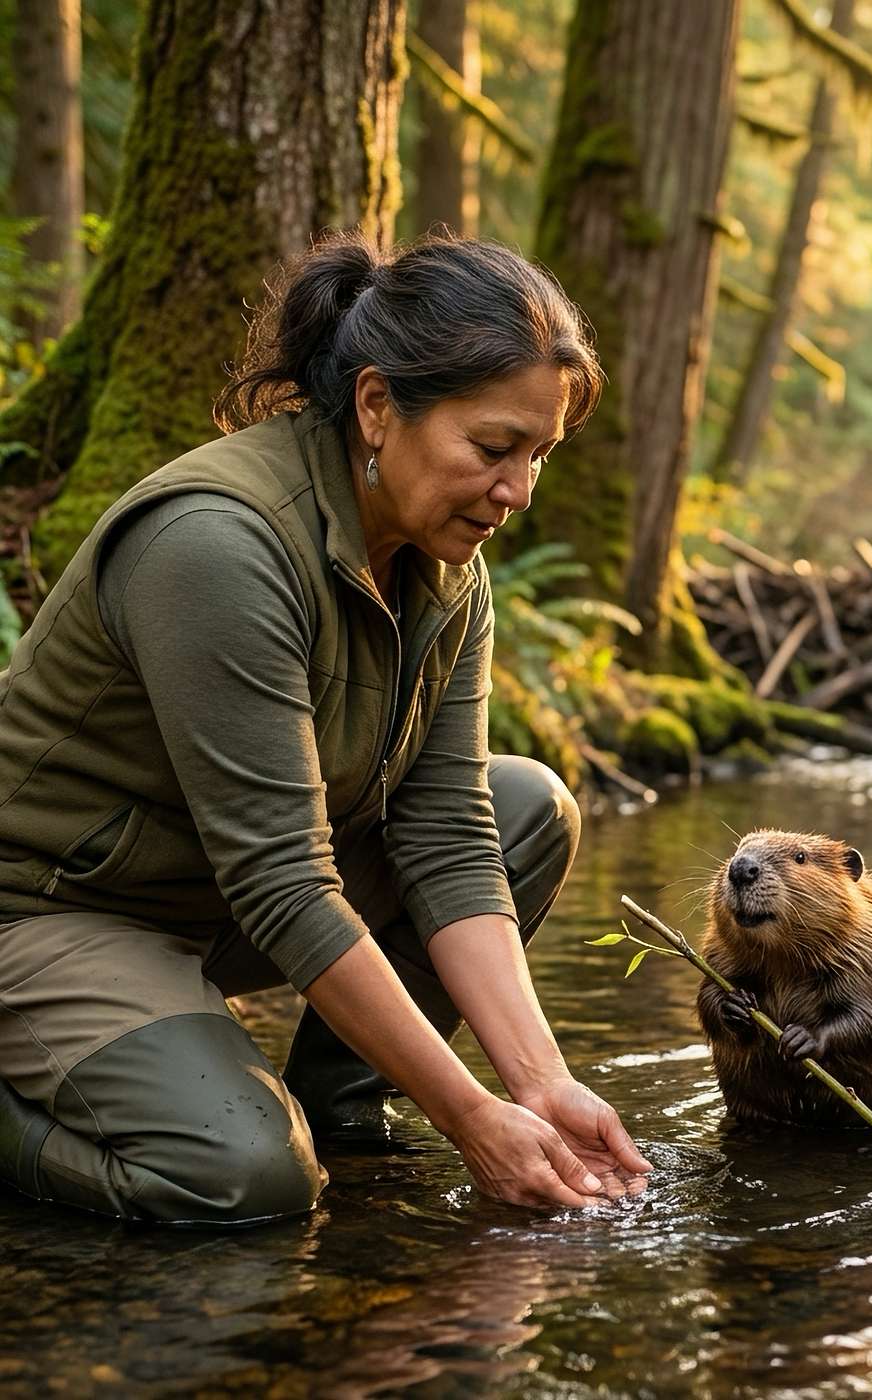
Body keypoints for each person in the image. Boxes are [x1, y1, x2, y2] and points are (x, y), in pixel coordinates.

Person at [0, 230, 652, 1224]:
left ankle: (336, 1110)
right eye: (491, 448)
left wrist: (539, 1083)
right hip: (58, 909)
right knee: (243, 1180)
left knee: (527, 807)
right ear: (378, 405)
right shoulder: (216, 543)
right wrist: (470, 1115)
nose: (517, 492)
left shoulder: (447, 567)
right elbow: (283, 881)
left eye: (538, 455)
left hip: (207, 899)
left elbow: (447, 830)